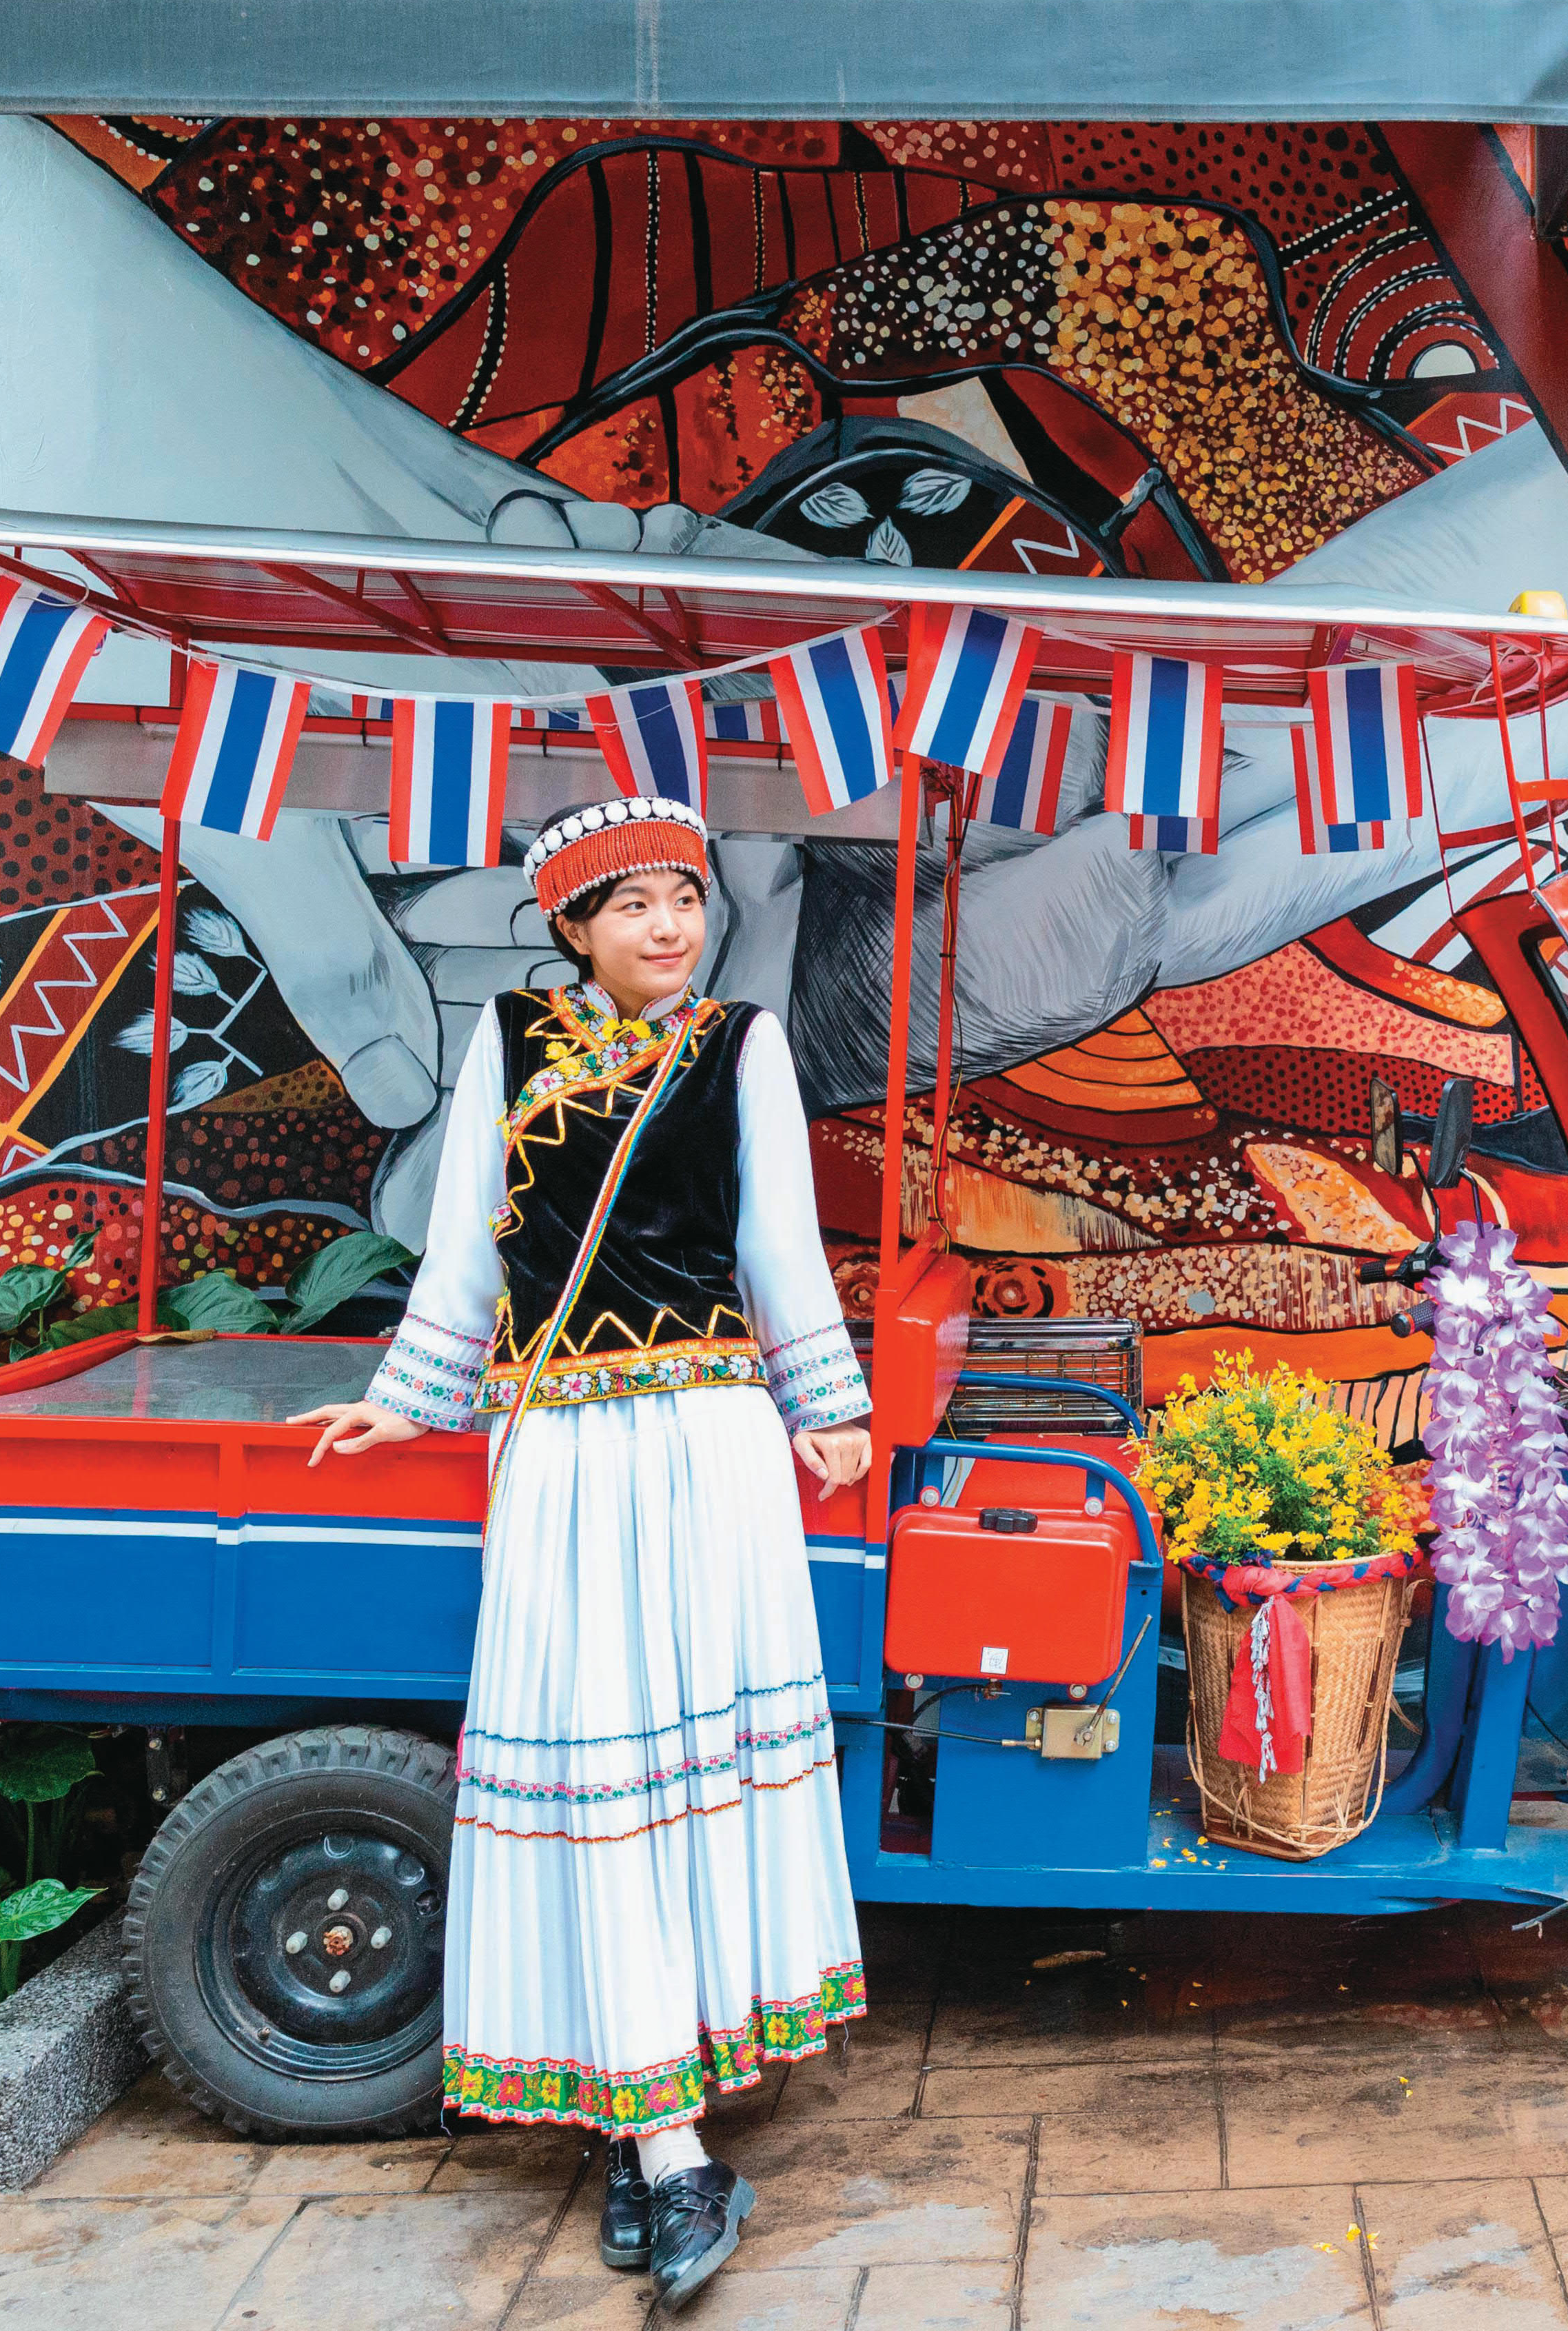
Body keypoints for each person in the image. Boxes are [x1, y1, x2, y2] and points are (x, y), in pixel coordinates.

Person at [305, 794, 870, 2312]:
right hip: (553, 1449)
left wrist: (826, 1401)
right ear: (571, 929)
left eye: (684, 898)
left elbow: (780, 1238)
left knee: (684, 1776)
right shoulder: (511, 1038)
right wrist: (399, 1400)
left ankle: (660, 2135)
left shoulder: (742, 1043)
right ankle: (657, 2130)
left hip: (707, 1440)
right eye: (631, 906)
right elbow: (467, 1247)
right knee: (591, 1770)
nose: (670, 927)